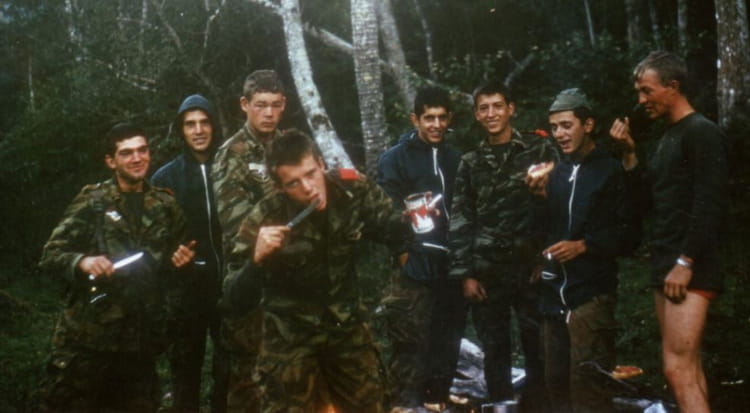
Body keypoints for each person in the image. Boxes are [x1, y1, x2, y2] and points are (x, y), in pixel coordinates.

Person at [222, 130, 409, 412]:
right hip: (290, 338)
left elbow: (388, 227)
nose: (308, 188)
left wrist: (412, 221)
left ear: (321, 164)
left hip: (345, 326)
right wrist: (256, 261)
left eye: (311, 174)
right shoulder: (265, 217)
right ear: (279, 187)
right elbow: (234, 299)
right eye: (294, 183)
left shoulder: (350, 189)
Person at [38, 122, 196, 412]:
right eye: (127, 153)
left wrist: (182, 262)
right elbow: (51, 254)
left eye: (142, 150)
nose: (137, 158)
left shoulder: (165, 205)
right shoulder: (93, 202)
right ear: (111, 161)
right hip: (88, 343)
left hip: (139, 346)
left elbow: (180, 260)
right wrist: (82, 261)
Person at [610, 51, 728, 413]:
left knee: (677, 370)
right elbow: (648, 202)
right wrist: (629, 154)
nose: (641, 100)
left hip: (689, 265)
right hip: (667, 262)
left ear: (673, 86)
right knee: (687, 369)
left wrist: (686, 260)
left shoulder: (701, 132)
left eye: (647, 91)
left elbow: (709, 203)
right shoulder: (668, 138)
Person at [448, 79, 556, 408]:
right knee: (494, 348)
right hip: (488, 272)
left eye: (497, 106)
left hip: (529, 269)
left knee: (538, 344)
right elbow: (461, 219)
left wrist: (546, 258)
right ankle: (500, 405)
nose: (491, 114)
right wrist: (466, 275)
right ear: (476, 115)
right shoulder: (470, 162)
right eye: (484, 108)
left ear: (511, 109)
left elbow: (557, 206)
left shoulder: (539, 150)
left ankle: (539, 407)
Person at [532, 88, 639, 412]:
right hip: (553, 296)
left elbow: (630, 235)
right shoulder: (556, 172)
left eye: (567, 125)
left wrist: (585, 245)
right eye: (554, 127)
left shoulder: (609, 169)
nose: (559, 134)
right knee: (555, 382)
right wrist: (537, 198)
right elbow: (547, 229)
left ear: (588, 124)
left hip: (590, 295)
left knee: (588, 388)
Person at [376, 86, 466, 410]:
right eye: (429, 118)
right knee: (410, 347)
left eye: (442, 117)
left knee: (447, 346)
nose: (436, 125)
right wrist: (403, 254)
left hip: (451, 265)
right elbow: (383, 213)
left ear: (450, 118)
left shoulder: (456, 159)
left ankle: (437, 402)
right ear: (415, 119)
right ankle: (403, 405)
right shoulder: (395, 159)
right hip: (414, 264)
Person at [211, 70, 286, 412]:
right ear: (245, 105)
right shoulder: (232, 155)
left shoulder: (290, 146)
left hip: (290, 285)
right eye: (260, 105)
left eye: (275, 105)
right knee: (250, 386)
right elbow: (239, 229)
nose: (268, 113)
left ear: (284, 105)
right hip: (250, 284)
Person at [151, 94, 228, 413]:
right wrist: (171, 254)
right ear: (181, 130)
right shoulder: (164, 178)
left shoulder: (230, 167)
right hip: (185, 290)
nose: (198, 130)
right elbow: (151, 237)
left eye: (204, 122)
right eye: (190, 124)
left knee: (230, 371)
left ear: (214, 125)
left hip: (229, 285)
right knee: (185, 374)